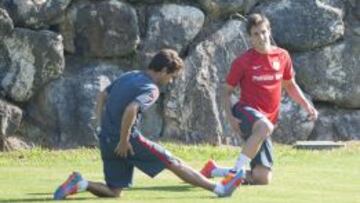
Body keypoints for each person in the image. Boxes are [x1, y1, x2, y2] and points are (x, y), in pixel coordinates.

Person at [53, 49, 239, 200]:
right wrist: (124, 140)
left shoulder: (130, 75)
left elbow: (103, 94)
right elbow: (131, 109)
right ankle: (219, 189)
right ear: (164, 71)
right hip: (126, 141)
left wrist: (101, 125)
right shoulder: (152, 89)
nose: (171, 81)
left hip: (106, 139)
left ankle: (81, 183)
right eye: (172, 76)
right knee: (172, 162)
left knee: (114, 191)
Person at [200, 13, 318, 186]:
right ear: (250, 38)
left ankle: (214, 170)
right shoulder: (243, 62)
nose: (261, 37)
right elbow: (225, 91)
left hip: (266, 124)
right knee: (264, 126)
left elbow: (290, 85)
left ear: (269, 31)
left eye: (263, 32)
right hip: (245, 112)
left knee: (262, 178)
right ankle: (234, 174)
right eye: (256, 34)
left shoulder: (283, 56)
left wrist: (307, 106)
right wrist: (230, 117)